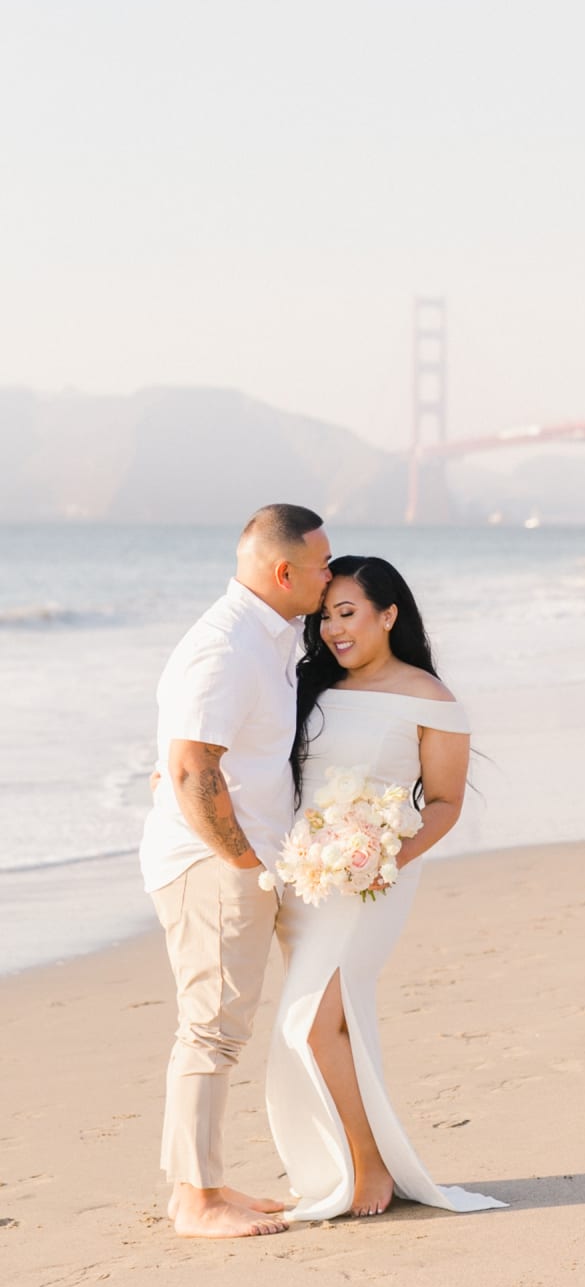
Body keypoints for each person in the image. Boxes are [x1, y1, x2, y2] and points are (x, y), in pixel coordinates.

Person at [265, 555, 506, 1220]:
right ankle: (342, 1165)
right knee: (329, 1023)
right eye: (326, 617)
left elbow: (447, 803)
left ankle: (368, 1168)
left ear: (388, 614)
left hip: (373, 880)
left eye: (348, 613)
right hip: (307, 879)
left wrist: (383, 861)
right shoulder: (310, 685)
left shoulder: (431, 699)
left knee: (310, 1025)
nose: (334, 630)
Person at [139, 504, 332, 1238]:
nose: (330, 578)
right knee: (212, 1029)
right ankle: (195, 1200)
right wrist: (249, 865)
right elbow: (192, 768)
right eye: (321, 567)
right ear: (285, 573)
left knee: (224, 1025)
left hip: (244, 858)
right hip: (213, 864)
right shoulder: (225, 646)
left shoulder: (270, 637)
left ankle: (211, 1183)